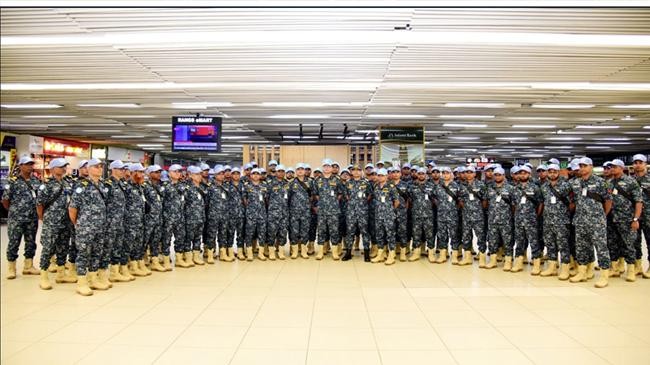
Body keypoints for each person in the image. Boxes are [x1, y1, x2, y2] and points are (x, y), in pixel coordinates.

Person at [569, 157, 612, 288]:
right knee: (581, 247)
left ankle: (605, 275)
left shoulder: (601, 182)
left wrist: (602, 216)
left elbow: (608, 201)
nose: (582, 168)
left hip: (596, 221)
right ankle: (582, 272)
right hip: (580, 220)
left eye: (585, 166)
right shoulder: (575, 183)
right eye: (580, 166)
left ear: (591, 167)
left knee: (601, 248)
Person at [68, 158, 108, 296]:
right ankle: (81, 282)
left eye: (101, 167)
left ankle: (93, 278)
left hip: (100, 225)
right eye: (96, 167)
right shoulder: (82, 186)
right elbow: (72, 208)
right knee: (83, 253)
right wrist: (78, 224)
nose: (99, 169)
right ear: (89, 169)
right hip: (86, 226)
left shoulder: (102, 185)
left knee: (97, 253)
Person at [36, 158, 76, 289]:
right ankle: (44, 276)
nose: (63, 169)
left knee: (63, 247)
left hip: (66, 221)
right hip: (52, 222)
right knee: (48, 248)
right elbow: (40, 204)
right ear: (52, 169)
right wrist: (43, 218)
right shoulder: (46, 184)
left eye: (64, 166)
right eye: (60, 167)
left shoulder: (68, 182)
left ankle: (61, 274)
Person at [2, 155, 40, 279]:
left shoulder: (36, 181)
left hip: (32, 218)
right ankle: (11, 268)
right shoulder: (12, 181)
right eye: (27, 164)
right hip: (16, 218)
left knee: (31, 242)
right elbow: (5, 200)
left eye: (31, 164)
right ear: (20, 166)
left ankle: (28, 266)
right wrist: (14, 211)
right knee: (14, 242)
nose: (30, 166)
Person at [608, 159, 643, 282]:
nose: (612, 169)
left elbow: (638, 202)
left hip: (626, 219)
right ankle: (615, 268)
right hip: (612, 219)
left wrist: (635, 219)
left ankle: (631, 270)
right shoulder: (609, 182)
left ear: (622, 168)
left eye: (615, 167)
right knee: (612, 244)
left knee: (629, 245)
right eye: (611, 167)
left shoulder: (631, 182)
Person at [539, 164, 572, 279]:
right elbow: (542, 202)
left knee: (563, 245)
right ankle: (551, 267)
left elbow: (573, 202)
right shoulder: (544, 187)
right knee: (550, 245)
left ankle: (565, 268)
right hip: (548, 221)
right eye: (550, 172)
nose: (552, 174)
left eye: (554, 172)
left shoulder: (566, 186)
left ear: (558, 172)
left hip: (562, 221)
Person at [104, 160, 133, 283]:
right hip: (110, 222)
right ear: (113, 170)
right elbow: (103, 203)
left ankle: (115, 272)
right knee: (107, 247)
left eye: (123, 169)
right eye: (120, 169)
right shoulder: (108, 184)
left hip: (120, 220)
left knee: (118, 246)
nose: (123, 171)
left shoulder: (122, 183)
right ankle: (100, 274)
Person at [511, 166, 544, 274]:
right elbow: (514, 204)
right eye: (520, 173)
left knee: (534, 242)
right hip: (519, 219)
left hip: (531, 220)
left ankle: (536, 264)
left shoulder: (535, 188)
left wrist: (536, 215)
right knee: (519, 242)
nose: (522, 175)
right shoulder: (515, 188)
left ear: (529, 175)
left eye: (525, 173)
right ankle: (519, 262)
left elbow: (540, 203)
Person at [313, 159, 344, 260]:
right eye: (325, 166)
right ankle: (320, 252)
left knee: (334, 231)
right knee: (321, 231)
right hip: (321, 210)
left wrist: (333, 202)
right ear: (322, 168)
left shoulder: (337, 180)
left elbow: (340, 194)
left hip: (333, 211)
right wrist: (323, 202)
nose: (326, 168)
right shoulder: (317, 180)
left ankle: (335, 252)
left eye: (329, 166)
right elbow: (316, 194)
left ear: (332, 168)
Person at [486, 167, 515, 269]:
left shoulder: (510, 188)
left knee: (507, 241)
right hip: (492, 219)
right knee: (492, 241)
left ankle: (508, 261)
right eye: (496, 175)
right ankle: (493, 260)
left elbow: (514, 205)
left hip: (505, 220)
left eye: (499, 175)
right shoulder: (489, 187)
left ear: (503, 175)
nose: (497, 177)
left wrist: (509, 216)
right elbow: (486, 202)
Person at [458, 166, 487, 267]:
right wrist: (466, 208)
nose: (468, 174)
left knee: (480, 236)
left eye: (471, 172)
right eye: (467, 172)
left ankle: (482, 257)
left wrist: (477, 209)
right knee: (466, 236)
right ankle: (467, 257)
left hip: (478, 215)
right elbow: (460, 200)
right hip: (466, 215)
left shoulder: (480, 185)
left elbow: (484, 200)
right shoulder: (462, 186)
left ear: (475, 174)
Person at [123, 163, 149, 276]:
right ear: (133, 173)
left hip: (140, 220)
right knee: (128, 245)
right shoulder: (126, 187)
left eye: (143, 172)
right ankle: (123, 268)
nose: (142, 175)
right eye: (140, 172)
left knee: (138, 244)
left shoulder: (139, 186)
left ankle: (135, 266)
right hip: (129, 222)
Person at [342, 164, 372, 261]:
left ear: (361, 171)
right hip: (351, 212)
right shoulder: (348, 183)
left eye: (358, 170)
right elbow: (346, 195)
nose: (356, 172)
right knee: (350, 232)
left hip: (363, 211)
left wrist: (362, 203)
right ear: (351, 172)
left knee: (365, 232)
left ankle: (367, 253)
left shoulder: (366, 182)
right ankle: (348, 253)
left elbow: (369, 195)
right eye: (353, 170)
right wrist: (352, 203)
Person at [162, 164, 190, 268]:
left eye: (179, 171)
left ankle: (179, 259)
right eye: (175, 171)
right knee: (166, 239)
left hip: (180, 216)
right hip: (168, 217)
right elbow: (161, 202)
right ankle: (165, 259)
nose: (178, 173)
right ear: (169, 173)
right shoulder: (164, 186)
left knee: (180, 238)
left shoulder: (183, 186)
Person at [432, 167, 462, 264]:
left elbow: (460, 201)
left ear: (451, 174)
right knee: (442, 235)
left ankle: (454, 255)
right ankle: (442, 255)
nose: (445, 175)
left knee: (454, 235)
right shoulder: (438, 186)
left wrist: (453, 208)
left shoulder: (456, 186)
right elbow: (434, 198)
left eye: (447, 173)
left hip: (453, 215)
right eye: (443, 173)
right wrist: (440, 205)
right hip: (441, 215)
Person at [370, 168, 399, 265]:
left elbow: (396, 201)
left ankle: (391, 255)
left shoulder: (391, 186)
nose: (380, 177)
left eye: (382, 175)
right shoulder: (376, 186)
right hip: (378, 215)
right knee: (379, 235)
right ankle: (380, 254)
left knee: (390, 235)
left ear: (386, 176)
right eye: (379, 175)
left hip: (388, 215)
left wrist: (390, 210)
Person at [407, 168, 435, 262]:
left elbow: (436, 199)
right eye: (419, 174)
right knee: (416, 234)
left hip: (428, 215)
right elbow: (409, 200)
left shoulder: (431, 186)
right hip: (416, 214)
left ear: (426, 175)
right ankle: (416, 253)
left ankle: (431, 253)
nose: (421, 175)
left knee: (429, 234)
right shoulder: (412, 186)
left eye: (423, 174)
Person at [206, 166, 231, 264]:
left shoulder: (226, 186)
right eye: (219, 174)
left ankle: (223, 254)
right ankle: (210, 254)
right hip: (213, 215)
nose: (221, 175)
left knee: (223, 234)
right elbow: (206, 202)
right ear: (215, 175)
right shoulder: (210, 186)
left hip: (224, 214)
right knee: (211, 235)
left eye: (222, 173)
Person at [143, 165, 165, 272]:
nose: (158, 174)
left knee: (156, 240)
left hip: (158, 217)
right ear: (149, 173)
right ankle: (141, 260)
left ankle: (155, 261)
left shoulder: (160, 185)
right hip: (148, 218)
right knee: (145, 240)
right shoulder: (145, 186)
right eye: (156, 172)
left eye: (159, 172)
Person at [288, 163, 312, 259]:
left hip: (306, 211)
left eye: (302, 169)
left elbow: (313, 195)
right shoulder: (291, 183)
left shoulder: (310, 182)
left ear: (305, 171)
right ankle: (294, 251)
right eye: (298, 169)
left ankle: (303, 251)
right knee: (294, 231)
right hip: (294, 211)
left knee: (305, 231)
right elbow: (288, 197)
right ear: (296, 171)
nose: (300, 171)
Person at [243, 168, 268, 260]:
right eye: (254, 173)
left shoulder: (264, 186)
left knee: (262, 233)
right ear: (250, 175)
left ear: (260, 176)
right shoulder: (246, 186)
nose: (256, 175)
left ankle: (261, 253)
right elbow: (244, 199)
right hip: (251, 214)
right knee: (249, 233)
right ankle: (249, 253)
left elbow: (266, 200)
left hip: (262, 214)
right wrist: (250, 209)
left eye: (258, 174)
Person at [632, 154, 650, 278]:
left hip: (648, 215)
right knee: (635, 242)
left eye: (640, 162)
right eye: (635, 162)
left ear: (646, 164)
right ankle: (637, 266)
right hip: (634, 216)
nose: (637, 165)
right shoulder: (630, 180)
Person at [184, 166, 206, 265]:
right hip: (190, 218)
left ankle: (196, 256)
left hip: (200, 217)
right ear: (191, 175)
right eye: (197, 174)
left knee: (198, 237)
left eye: (200, 174)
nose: (199, 176)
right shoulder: (187, 188)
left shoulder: (202, 187)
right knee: (189, 237)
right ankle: (188, 257)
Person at [267, 164, 289, 260]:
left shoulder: (288, 184)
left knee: (283, 233)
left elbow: (290, 197)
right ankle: (271, 252)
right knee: (272, 232)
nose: (281, 173)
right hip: (273, 213)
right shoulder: (270, 183)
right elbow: (266, 198)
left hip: (284, 213)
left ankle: (281, 252)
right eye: (279, 171)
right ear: (276, 172)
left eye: (282, 171)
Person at [389, 166, 410, 261]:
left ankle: (402, 252)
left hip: (402, 212)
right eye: (393, 172)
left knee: (402, 232)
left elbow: (409, 199)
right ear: (391, 174)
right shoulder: (387, 185)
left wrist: (405, 208)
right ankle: (392, 252)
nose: (395, 174)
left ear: (400, 174)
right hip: (390, 212)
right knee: (391, 232)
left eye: (397, 172)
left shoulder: (405, 185)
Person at [227, 167, 246, 260]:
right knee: (230, 233)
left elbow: (246, 199)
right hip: (231, 214)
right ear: (231, 175)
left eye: (237, 173)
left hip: (241, 213)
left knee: (240, 234)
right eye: (234, 173)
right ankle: (230, 252)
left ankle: (240, 252)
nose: (236, 175)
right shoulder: (227, 185)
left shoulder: (244, 185)